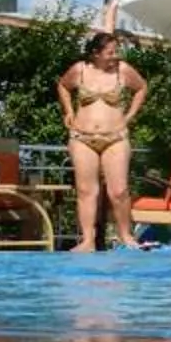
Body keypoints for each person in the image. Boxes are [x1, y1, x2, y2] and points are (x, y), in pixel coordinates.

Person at [55, 31, 149, 253]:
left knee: (119, 190)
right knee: (87, 191)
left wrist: (130, 115)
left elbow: (141, 88)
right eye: (110, 52)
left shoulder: (122, 70)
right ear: (95, 53)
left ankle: (126, 236)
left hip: (115, 137)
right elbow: (62, 86)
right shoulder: (80, 70)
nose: (114, 56)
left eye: (116, 51)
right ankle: (88, 240)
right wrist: (68, 111)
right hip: (82, 137)